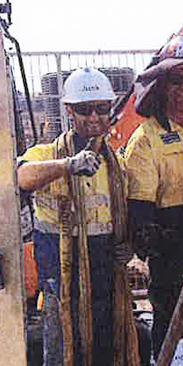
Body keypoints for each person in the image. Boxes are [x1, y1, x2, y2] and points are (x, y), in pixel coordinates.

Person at [17, 67, 139, 365]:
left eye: (101, 108)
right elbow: (22, 177)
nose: (94, 117)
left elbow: (128, 213)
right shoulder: (46, 155)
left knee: (105, 346)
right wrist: (68, 165)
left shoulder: (118, 166)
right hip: (61, 272)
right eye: (85, 110)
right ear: (70, 111)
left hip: (105, 270)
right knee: (63, 347)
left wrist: (129, 245)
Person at [123, 35, 183, 358]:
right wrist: (175, 248)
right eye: (177, 81)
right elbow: (142, 225)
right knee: (172, 333)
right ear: (162, 83)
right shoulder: (146, 141)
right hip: (173, 261)